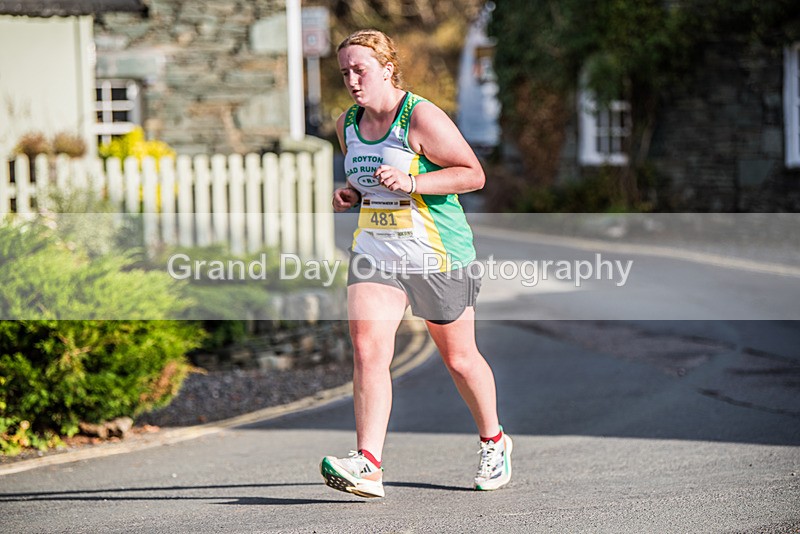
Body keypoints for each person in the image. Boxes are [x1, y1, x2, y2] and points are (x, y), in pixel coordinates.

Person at [320, 29, 512, 499]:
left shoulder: (420, 116)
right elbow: (367, 180)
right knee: (368, 350)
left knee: (459, 358)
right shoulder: (349, 122)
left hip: (435, 253)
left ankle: (494, 441)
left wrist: (413, 183)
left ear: (387, 68)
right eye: (344, 71)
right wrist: (352, 193)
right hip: (376, 252)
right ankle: (367, 464)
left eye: (359, 69)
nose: (351, 79)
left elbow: (472, 174)